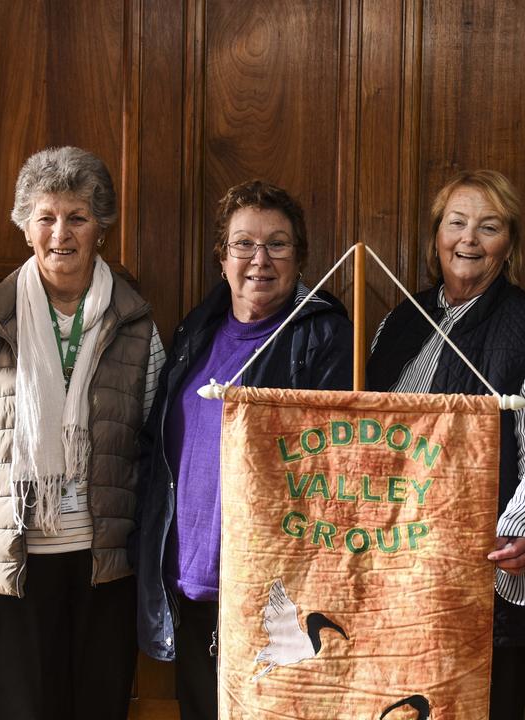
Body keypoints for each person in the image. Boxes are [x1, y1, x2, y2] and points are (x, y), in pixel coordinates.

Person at [0, 146, 165, 718]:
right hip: (15, 570)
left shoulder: (136, 324)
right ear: (26, 227)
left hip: (105, 568)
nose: (61, 233)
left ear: (100, 228)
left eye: (78, 217)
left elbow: (157, 456)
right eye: (46, 216)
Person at [366, 170, 525, 720]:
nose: (469, 239)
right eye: (457, 223)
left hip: (479, 581)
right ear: (435, 237)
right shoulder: (398, 322)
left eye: (488, 227)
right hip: (391, 577)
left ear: (509, 244)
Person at [134, 180, 353, 719]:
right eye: (244, 244)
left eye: (278, 244)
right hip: (190, 583)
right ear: (222, 256)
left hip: (274, 589)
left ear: (301, 258)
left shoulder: (324, 336)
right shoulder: (195, 332)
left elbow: (335, 472)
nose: (260, 259)